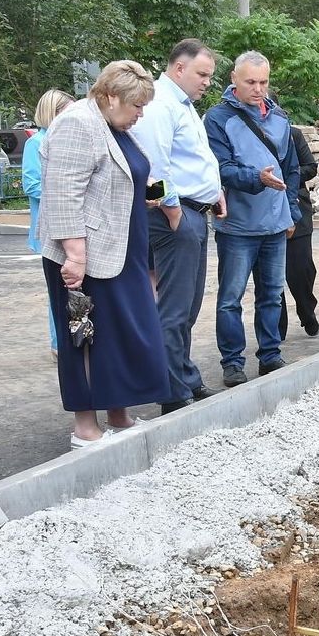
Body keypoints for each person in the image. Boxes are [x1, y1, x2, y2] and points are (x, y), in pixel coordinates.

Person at [37, 60, 167, 448]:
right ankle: (85, 428)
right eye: (136, 106)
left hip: (122, 248)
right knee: (85, 336)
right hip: (85, 256)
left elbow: (126, 176)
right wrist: (75, 256)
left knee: (123, 334)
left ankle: (119, 413)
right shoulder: (78, 123)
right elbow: (62, 194)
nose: (140, 115)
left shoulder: (113, 124)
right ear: (111, 97)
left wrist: (153, 197)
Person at [129, 39, 226, 415]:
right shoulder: (159, 105)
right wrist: (172, 211)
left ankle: (184, 375)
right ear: (179, 68)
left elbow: (193, 160)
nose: (206, 83)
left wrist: (216, 192)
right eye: (202, 74)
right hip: (176, 215)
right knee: (174, 306)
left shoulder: (183, 106)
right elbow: (153, 168)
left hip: (194, 211)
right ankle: (172, 389)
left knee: (188, 304)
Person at [204, 51, 300, 387]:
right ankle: (232, 362)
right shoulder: (216, 119)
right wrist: (256, 178)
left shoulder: (280, 118)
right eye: (250, 82)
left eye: (263, 82)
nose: (258, 89)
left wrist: (292, 212)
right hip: (237, 227)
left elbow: (291, 170)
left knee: (272, 294)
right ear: (233, 78)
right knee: (231, 298)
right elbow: (221, 169)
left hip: (276, 225)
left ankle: (270, 355)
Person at [23, 88, 74, 354]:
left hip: (65, 224)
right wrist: (65, 192)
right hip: (49, 225)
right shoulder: (36, 142)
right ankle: (58, 343)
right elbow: (31, 185)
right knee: (57, 288)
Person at [278, 121, 319, 339]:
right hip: (264, 211)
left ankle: (307, 309)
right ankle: (277, 327)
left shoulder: (293, 135)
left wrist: (288, 175)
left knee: (302, 270)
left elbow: (310, 167)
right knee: (271, 275)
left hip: (297, 208)